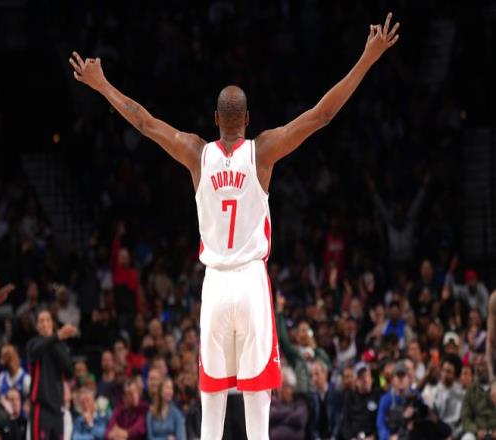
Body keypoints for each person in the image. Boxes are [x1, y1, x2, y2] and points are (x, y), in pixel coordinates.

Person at [70, 12, 400, 439]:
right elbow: (321, 115)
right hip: (249, 282)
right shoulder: (262, 152)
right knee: (257, 407)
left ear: (215, 118)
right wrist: (367, 58)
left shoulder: (195, 153)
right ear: (247, 119)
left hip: (215, 285)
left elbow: (144, 122)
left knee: (211, 409)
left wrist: (102, 85)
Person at [27, 309, 75, 440]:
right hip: (41, 407)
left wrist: (56, 340)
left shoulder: (60, 346)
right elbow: (37, 350)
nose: (44, 324)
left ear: (52, 324)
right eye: (41, 321)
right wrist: (57, 336)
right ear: (37, 326)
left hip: (58, 408)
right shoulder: (33, 344)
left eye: (47, 320)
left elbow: (69, 372)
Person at [340, 362, 382, 440]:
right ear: (356, 381)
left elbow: (381, 421)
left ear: (371, 378)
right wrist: (350, 437)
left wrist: (374, 437)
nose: (365, 380)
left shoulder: (378, 395)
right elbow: (345, 422)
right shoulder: (350, 397)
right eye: (361, 377)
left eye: (367, 376)